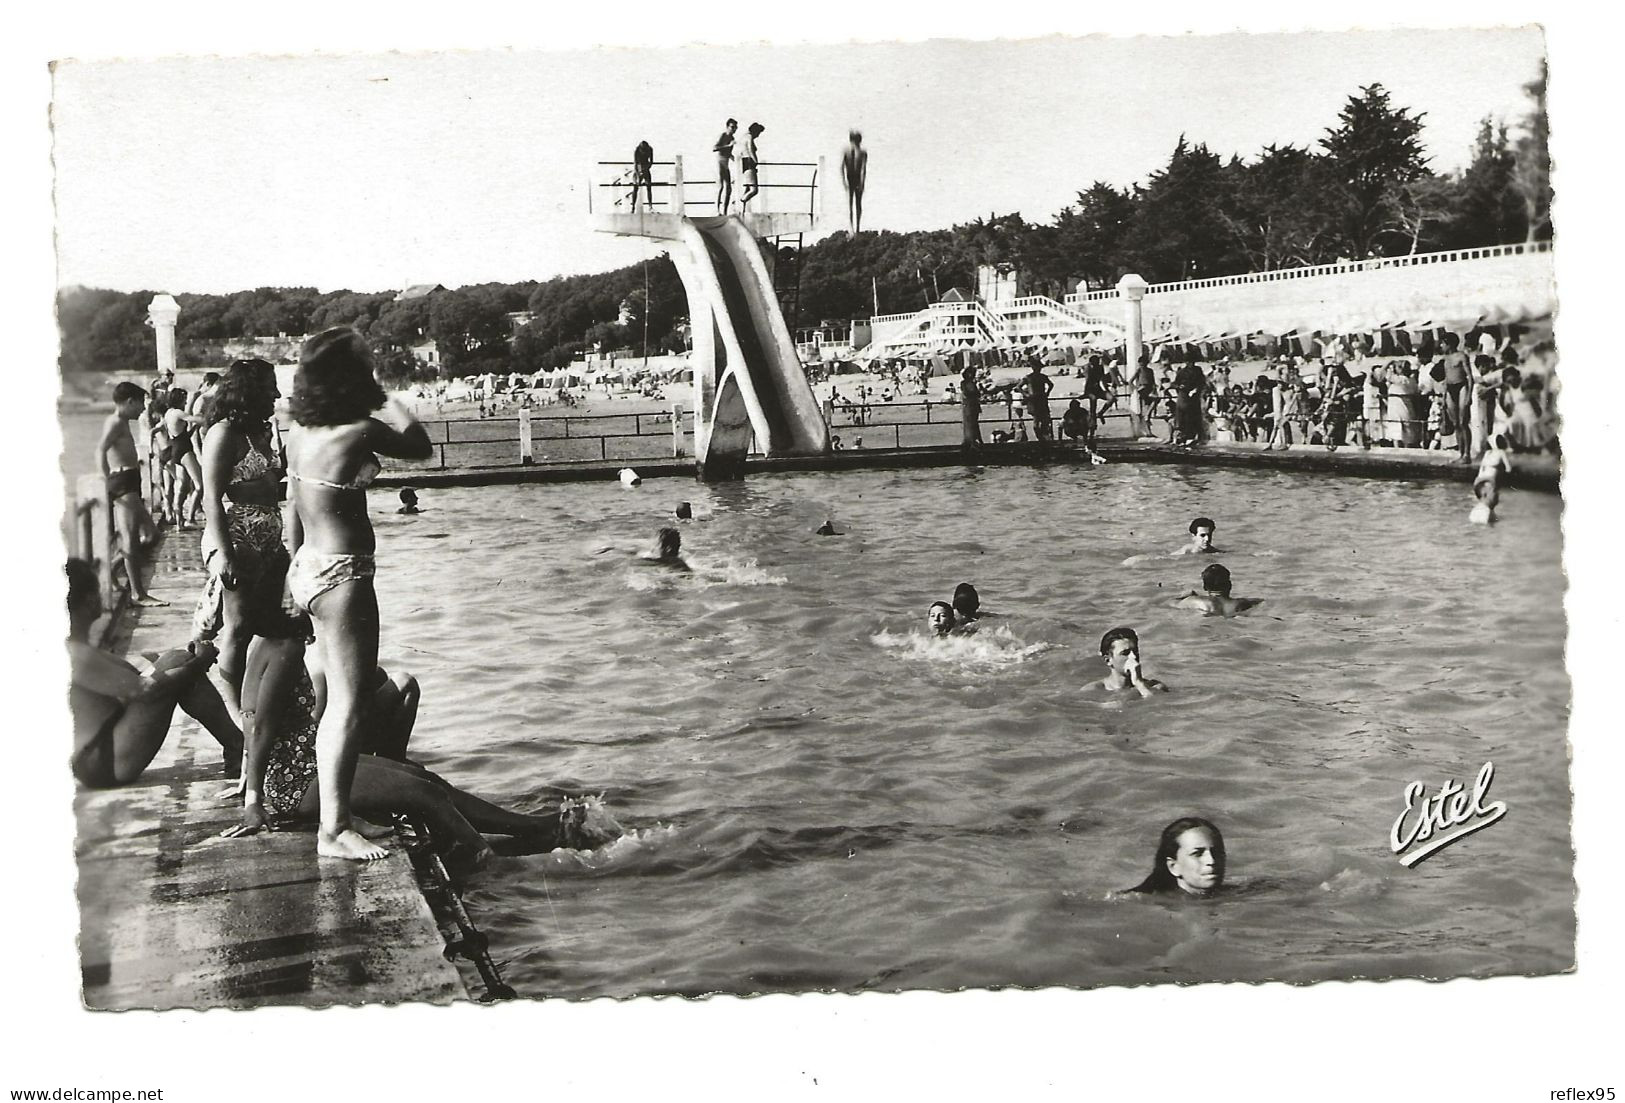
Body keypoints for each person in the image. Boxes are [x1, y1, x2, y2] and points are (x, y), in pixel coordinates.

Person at [223, 607, 617, 869]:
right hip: (296, 783)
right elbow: (259, 725)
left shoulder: (269, 642)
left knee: (428, 780)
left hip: (303, 767)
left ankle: (533, 828)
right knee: (424, 794)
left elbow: (254, 718)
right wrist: (254, 802)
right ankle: (492, 859)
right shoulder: (287, 648)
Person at [286, 326, 434, 862]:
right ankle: (334, 831)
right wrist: (397, 402)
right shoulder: (360, 430)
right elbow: (421, 448)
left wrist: (290, 580)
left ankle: (342, 810)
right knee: (346, 706)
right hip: (344, 573)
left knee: (337, 700)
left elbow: (292, 508)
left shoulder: (299, 432)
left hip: (308, 567)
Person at [65, 558, 241, 788]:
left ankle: (237, 746)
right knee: (182, 666)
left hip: (100, 752)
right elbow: (145, 690)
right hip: (104, 761)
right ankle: (238, 746)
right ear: (88, 601)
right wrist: (199, 662)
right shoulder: (76, 654)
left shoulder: (74, 646)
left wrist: (176, 664)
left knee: (177, 662)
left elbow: (126, 682)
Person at [195, 358, 291, 720]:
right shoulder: (223, 433)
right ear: (250, 392)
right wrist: (226, 554)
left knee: (269, 623)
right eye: (270, 388)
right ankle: (234, 712)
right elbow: (211, 498)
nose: (278, 395)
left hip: (268, 536)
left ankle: (261, 704)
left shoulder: (260, 432)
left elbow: (271, 486)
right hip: (237, 537)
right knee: (238, 626)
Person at [97, 382, 167, 606]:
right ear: (129, 402)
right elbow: (101, 449)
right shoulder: (115, 422)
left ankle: (111, 568)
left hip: (130, 480)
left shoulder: (122, 421)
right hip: (122, 483)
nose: (141, 410)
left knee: (151, 535)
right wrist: (105, 478)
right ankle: (138, 594)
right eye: (139, 405)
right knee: (130, 538)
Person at [1124, 817, 1226, 896]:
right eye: (1197, 854)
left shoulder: (1238, 897)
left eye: (1216, 852)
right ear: (1173, 866)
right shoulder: (1142, 902)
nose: (1211, 860)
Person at [1084, 626, 1168, 697]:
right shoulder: (1092, 690)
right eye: (1125, 653)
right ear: (1108, 660)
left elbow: (1157, 708)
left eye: (1135, 651)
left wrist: (1139, 683)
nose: (1133, 656)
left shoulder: (1155, 687)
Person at [1176, 563, 1262, 616]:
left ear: (1205, 587)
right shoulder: (1243, 603)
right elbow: (1261, 601)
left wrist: (1182, 597)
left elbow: (1167, 604)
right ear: (1229, 585)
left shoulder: (1194, 601)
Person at [1471, 432, 1513, 524]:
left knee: (1482, 502)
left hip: (1479, 479)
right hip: (1491, 478)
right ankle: (1491, 521)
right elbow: (1509, 468)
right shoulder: (1501, 452)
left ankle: (1483, 519)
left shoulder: (1487, 453)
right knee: (1491, 502)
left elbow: (1481, 467)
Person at [841, 130, 867, 234]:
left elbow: (863, 170)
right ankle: (852, 227)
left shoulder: (862, 153)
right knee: (851, 204)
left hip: (856, 179)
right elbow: (841, 167)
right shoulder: (847, 151)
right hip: (850, 178)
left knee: (857, 204)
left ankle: (856, 228)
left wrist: (862, 182)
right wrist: (844, 181)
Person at [1022, 361, 1054, 440]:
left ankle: (1041, 436)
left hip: (1038, 399)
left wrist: (1047, 393)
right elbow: (1019, 386)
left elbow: (1051, 385)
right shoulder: (1029, 377)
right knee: (1037, 420)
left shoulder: (1039, 377)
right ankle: (1040, 437)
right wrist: (1026, 395)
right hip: (1036, 399)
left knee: (1042, 420)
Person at [713, 118, 738, 214]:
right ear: (727, 127)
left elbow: (728, 153)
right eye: (732, 127)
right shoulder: (723, 136)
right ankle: (717, 210)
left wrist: (736, 159)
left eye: (735, 127)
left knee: (729, 188)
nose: (734, 129)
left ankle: (725, 211)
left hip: (726, 163)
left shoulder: (732, 139)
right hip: (719, 162)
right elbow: (714, 148)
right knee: (720, 187)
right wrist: (728, 145)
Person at [738, 122, 764, 211]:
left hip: (745, 162)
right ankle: (741, 202)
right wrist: (756, 161)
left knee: (748, 188)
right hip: (749, 162)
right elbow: (751, 150)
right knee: (754, 190)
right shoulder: (749, 137)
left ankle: (742, 209)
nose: (758, 136)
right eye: (758, 133)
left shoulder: (743, 137)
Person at [958, 365, 982, 449]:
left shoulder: (972, 383)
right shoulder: (964, 383)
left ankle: (975, 440)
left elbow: (978, 394)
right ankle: (971, 440)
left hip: (973, 405)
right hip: (969, 405)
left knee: (974, 423)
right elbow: (967, 393)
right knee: (969, 423)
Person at [631, 139, 654, 211]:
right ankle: (633, 206)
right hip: (638, 168)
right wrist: (639, 172)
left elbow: (651, 161)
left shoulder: (650, 149)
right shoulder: (637, 150)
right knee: (635, 187)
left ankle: (650, 205)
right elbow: (636, 162)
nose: (644, 152)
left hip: (646, 168)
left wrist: (646, 169)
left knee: (649, 186)